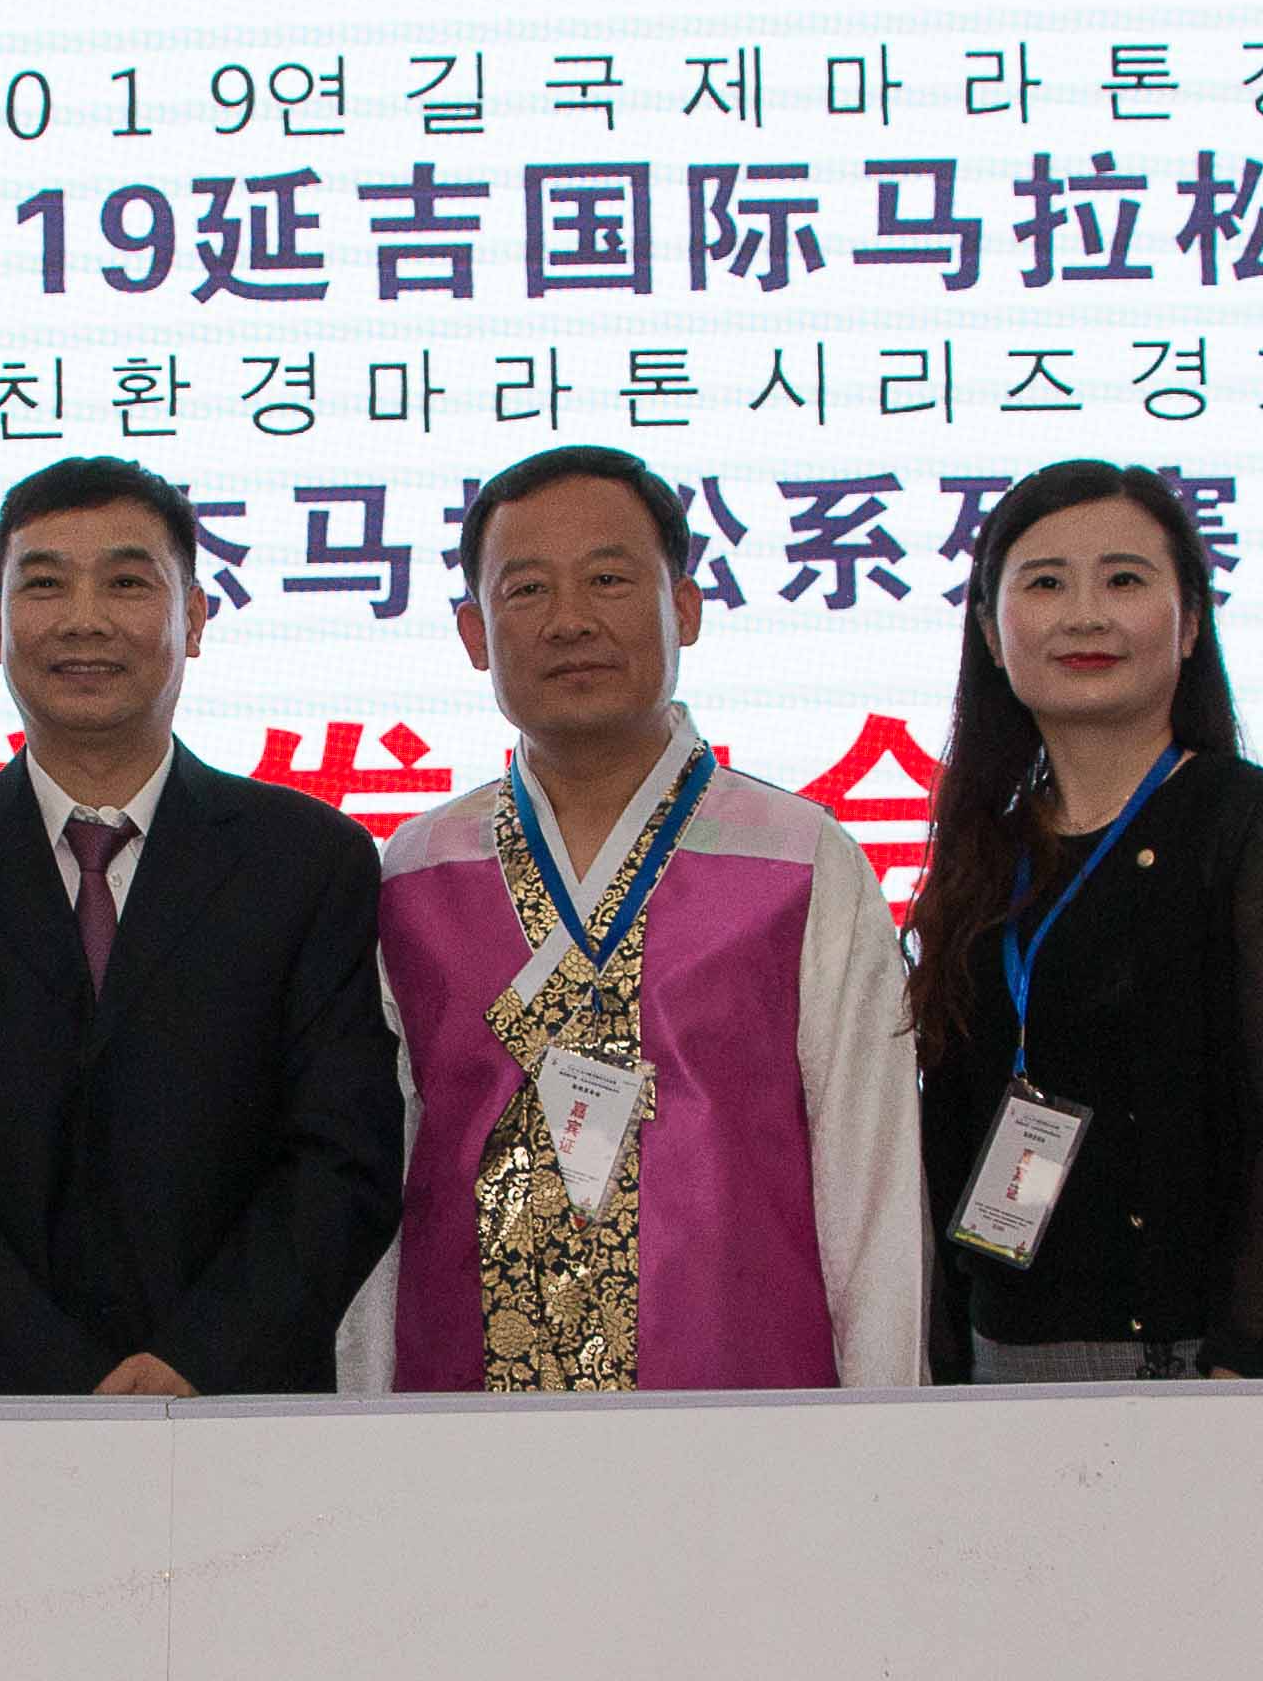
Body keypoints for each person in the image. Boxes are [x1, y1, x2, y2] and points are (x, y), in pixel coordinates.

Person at [342, 444, 921, 1392]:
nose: (570, 619)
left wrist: (882, 1430)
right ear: (474, 632)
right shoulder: (416, 872)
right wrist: (361, 1425)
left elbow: (873, 1180)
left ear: (683, 607)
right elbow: (380, 1187)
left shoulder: (799, 861)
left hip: (751, 1423)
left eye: (609, 579)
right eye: (527, 590)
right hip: (461, 1429)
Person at [0, 456, 398, 1394]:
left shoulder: (309, 860)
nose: (83, 619)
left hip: (242, 1406)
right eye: (44, 584)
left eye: (127, 582)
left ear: (194, 619)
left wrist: (196, 1358)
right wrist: (63, 1375)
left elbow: (343, 1153)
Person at [909, 461, 1263, 1380]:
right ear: (991, 630)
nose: (1084, 616)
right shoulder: (986, 851)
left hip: (1194, 1366)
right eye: (1045, 584)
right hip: (997, 1361)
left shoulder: (1258, 827)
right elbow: (946, 1137)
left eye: (1123, 580)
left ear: (1189, 623)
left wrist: (1247, 1358)